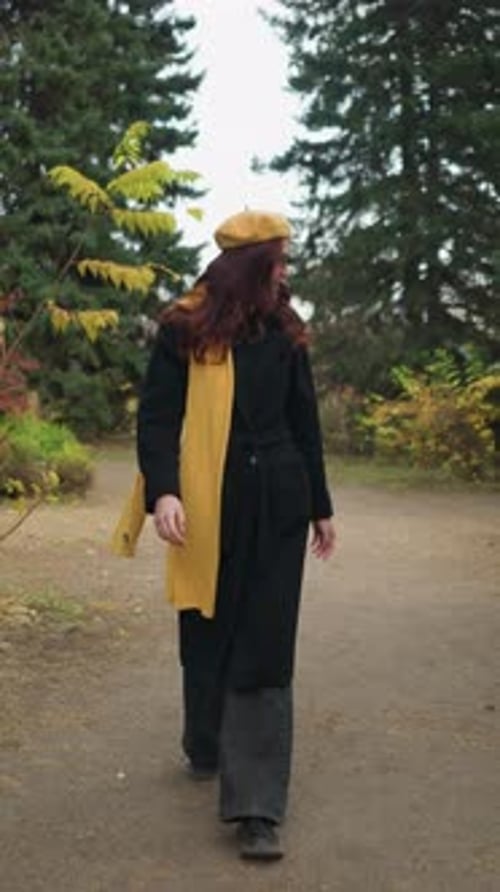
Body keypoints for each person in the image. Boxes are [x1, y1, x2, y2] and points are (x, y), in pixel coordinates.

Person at [136, 209, 335, 861]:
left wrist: (320, 505)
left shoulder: (284, 327)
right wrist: (165, 490)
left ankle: (256, 808)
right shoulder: (184, 328)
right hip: (206, 497)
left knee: (266, 643)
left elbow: (303, 418)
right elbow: (159, 419)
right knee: (207, 626)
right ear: (251, 266)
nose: (285, 272)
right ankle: (205, 739)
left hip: (278, 495)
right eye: (278, 260)